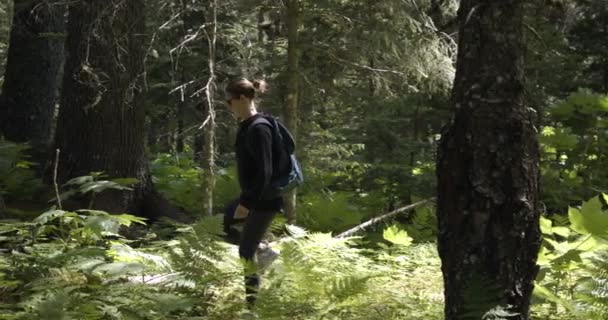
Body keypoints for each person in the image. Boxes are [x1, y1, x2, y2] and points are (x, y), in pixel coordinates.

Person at [223, 77, 284, 308]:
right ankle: (263, 250)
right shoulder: (247, 125)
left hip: (264, 200)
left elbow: (265, 172)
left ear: (242, 99)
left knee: (245, 253)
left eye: (229, 101)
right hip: (253, 196)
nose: (228, 106)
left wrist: (246, 204)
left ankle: (252, 307)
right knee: (221, 223)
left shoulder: (260, 128)